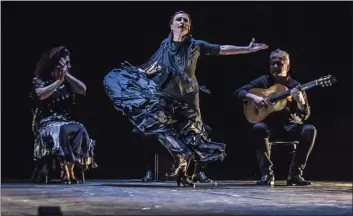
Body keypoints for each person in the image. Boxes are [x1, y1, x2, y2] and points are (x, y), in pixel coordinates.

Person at [104, 11, 268, 186]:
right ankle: (180, 157)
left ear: (188, 26)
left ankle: (185, 173)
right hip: (165, 97)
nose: (182, 22)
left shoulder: (195, 45)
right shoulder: (164, 46)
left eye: (186, 20)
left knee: (192, 136)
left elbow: (222, 49)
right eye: (178, 19)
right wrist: (141, 74)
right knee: (153, 124)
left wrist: (247, 49)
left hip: (188, 98)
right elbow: (152, 65)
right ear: (172, 25)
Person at [234, 49, 317, 186]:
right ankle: (266, 174)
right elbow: (239, 92)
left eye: (280, 64)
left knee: (310, 130)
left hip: (290, 126)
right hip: (270, 127)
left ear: (287, 66)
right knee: (258, 127)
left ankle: (295, 175)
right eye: (273, 64)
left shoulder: (295, 86)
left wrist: (301, 101)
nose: (276, 67)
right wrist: (254, 97)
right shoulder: (264, 81)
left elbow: (305, 115)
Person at [31, 46, 97, 184]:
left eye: (68, 63)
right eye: (65, 63)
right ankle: (66, 171)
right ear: (54, 64)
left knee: (80, 128)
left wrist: (66, 75)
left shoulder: (67, 81)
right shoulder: (41, 79)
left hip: (65, 122)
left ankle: (69, 169)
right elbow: (41, 95)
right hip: (47, 123)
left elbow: (83, 89)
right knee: (62, 130)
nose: (69, 65)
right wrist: (58, 82)